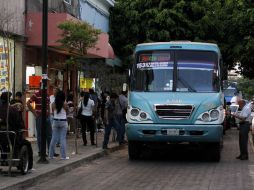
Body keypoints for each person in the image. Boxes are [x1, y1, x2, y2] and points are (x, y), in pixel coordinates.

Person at [27, 85, 58, 157]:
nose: (46, 88)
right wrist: (35, 113)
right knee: (40, 135)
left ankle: (51, 151)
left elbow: (48, 105)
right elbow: (28, 103)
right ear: (41, 87)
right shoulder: (36, 94)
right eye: (45, 86)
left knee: (49, 134)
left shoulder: (47, 95)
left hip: (47, 117)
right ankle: (41, 151)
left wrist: (49, 114)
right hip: (40, 117)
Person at [49, 90, 69, 160]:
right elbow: (67, 112)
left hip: (55, 121)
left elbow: (53, 112)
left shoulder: (53, 104)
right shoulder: (65, 104)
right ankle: (63, 156)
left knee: (53, 139)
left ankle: (51, 155)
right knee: (62, 139)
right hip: (63, 121)